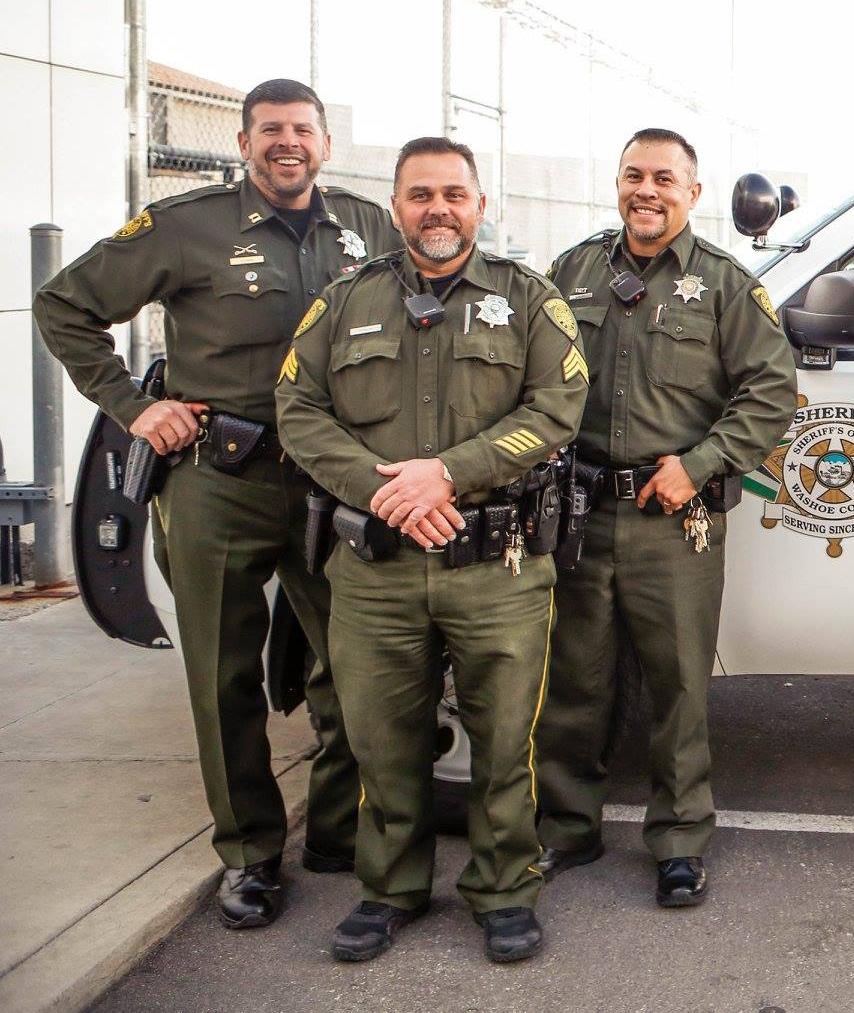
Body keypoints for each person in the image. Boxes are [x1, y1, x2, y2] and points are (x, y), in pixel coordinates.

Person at [32, 79, 397, 928]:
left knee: (353, 666)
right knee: (223, 678)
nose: (287, 144)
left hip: (332, 481)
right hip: (218, 482)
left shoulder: (367, 225)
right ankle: (250, 856)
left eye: (302, 130)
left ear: (324, 143)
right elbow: (64, 307)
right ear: (243, 143)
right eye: (270, 131)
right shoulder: (185, 227)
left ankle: (336, 832)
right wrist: (133, 405)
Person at [276, 137, 588, 962]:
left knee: (504, 741)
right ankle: (390, 889)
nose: (438, 209)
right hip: (375, 567)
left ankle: (504, 888)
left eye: (454, 193)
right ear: (395, 207)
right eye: (420, 194)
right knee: (382, 739)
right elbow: (298, 409)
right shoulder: (344, 302)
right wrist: (387, 490)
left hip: (498, 568)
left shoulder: (528, 300)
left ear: (480, 205)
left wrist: (447, 475)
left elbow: (559, 406)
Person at [535, 128, 797, 907]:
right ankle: (564, 827)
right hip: (581, 512)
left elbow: (770, 393)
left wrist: (700, 464)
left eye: (663, 179)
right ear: (617, 183)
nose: (645, 192)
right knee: (573, 680)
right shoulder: (572, 271)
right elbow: (532, 375)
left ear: (692, 192)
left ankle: (679, 840)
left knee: (678, 685)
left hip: (673, 519)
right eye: (632, 176)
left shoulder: (723, 284)